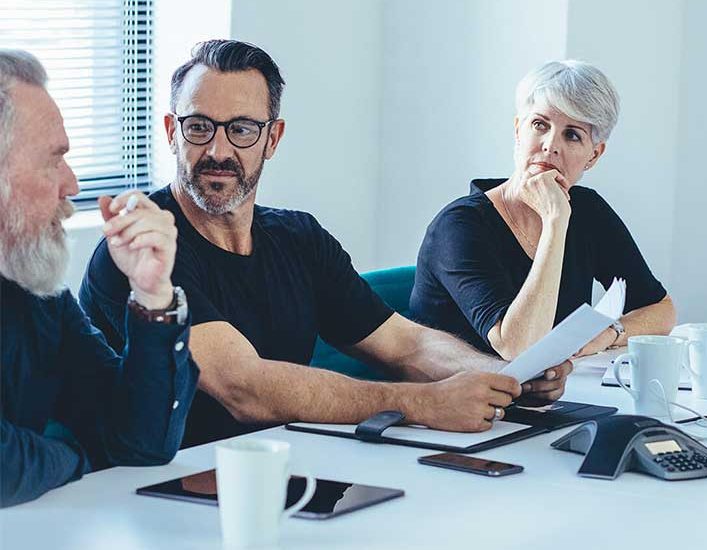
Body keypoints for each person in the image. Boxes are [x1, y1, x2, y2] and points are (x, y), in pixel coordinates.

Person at [79, 40, 569, 448]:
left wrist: (507, 377)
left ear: (272, 139)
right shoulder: (143, 252)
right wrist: (421, 403)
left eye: (242, 129)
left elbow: (406, 344)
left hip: (289, 471)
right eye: (199, 127)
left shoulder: (298, 238)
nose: (218, 150)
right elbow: (244, 388)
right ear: (172, 132)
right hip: (162, 489)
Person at [0, 49, 198, 507]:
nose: (72, 185)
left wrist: (153, 294)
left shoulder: (37, 292)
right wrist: (77, 459)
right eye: (53, 161)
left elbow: (140, 443)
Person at [409, 60, 675, 360]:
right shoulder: (458, 226)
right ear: (518, 131)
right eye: (540, 125)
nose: (550, 145)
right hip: (462, 389)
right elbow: (517, 347)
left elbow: (661, 309)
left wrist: (609, 332)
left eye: (572, 135)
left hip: (553, 386)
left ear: (593, 156)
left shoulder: (588, 210)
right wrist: (555, 221)